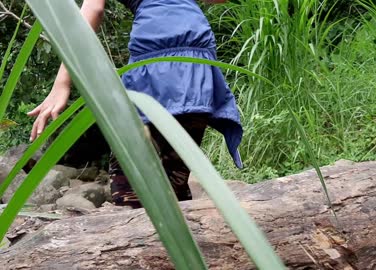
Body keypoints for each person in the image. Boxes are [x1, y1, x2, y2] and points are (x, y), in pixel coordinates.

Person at [27, 0, 243, 208]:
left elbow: (92, 10)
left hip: (155, 47)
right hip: (197, 50)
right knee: (175, 176)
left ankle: (147, 239)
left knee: (129, 188)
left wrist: (62, 82)